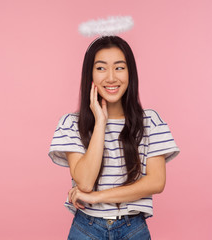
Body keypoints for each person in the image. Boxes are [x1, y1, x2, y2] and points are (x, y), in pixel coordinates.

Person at [49, 36, 180, 240]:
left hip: (133, 228)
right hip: (86, 228)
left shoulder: (150, 121)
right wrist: (101, 122)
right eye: (101, 68)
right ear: (89, 74)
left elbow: (156, 182)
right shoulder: (71, 123)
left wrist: (97, 197)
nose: (111, 77)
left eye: (119, 67)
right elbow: (84, 183)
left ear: (130, 73)